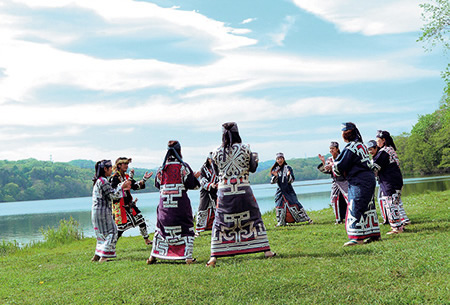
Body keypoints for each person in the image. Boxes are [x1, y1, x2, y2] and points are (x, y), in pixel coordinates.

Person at [206, 122, 275, 267]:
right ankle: (266, 250)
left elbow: (216, 172)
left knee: (220, 221)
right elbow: (253, 169)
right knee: (254, 218)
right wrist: (255, 159)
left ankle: (213, 256)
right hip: (243, 188)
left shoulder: (215, 152)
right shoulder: (246, 149)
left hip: (224, 191)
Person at [147, 141, 200, 265]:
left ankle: (153, 256)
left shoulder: (161, 168)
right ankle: (187, 257)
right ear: (180, 151)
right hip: (180, 205)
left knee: (161, 229)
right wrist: (195, 177)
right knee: (186, 227)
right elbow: (192, 184)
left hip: (164, 205)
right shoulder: (183, 167)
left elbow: (157, 184)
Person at [328, 123, 381, 246]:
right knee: (368, 206)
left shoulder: (350, 147)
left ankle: (357, 238)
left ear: (345, 135)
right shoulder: (361, 146)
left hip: (359, 180)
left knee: (355, 206)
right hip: (369, 178)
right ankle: (374, 234)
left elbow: (340, 165)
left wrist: (332, 166)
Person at [91, 159, 131, 262]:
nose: (111, 170)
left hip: (96, 211)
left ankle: (97, 255)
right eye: (110, 168)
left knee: (101, 234)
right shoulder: (104, 181)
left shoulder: (98, 181)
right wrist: (122, 186)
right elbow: (112, 195)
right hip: (103, 211)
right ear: (105, 169)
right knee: (113, 232)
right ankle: (104, 257)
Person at [110, 157, 153, 245]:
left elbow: (135, 186)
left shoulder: (126, 176)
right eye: (124, 164)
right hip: (120, 206)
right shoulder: (113, 178)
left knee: (141, 220)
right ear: (119, 165)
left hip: (129, 204)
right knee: (121, 228)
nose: (126, 165)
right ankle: (111, 246)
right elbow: (112, 192)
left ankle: (146, 240)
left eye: (127, 164)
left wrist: (144, 180)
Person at [373, 130, 410, 234]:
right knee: (394, 203)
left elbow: (375, 167)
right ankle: (399, 225)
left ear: (384, 140)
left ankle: (397, 228)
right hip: (396, 181)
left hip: (390, 182)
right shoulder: (391, 150)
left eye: (378, 141)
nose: (377, 143)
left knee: (390, 203)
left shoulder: (384, 152)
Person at [270, 152, 312, 226]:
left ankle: (306, 218)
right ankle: (281, 221)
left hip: (289, 190)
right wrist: (275, 176)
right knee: (279, 205)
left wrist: (288, 175)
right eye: (278, 159)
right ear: (276, 160)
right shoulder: (275, 169)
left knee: (295, 203)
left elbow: (292, 180)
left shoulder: (288, 168)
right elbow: (272, 181)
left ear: (283, 159)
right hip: (280, 191)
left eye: (281, 158)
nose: (280, 160)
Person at [317, 142, 349, 224]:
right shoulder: (329, 159)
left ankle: (351, 217)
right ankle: (338, 219)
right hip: (335, 182)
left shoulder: (342, 157)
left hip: (344, 181)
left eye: (333, 149)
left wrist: (333, 166)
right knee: (334, 199)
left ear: (337, 149)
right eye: (330, 149)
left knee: (348, 198)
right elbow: (326, 170)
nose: (331, 150)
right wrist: (324, 163)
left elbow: (343, 168)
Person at [196, 153, 219, 235]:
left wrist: (217, 184)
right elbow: (202, 180)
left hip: (215, 191)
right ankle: (199, 229)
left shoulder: (217, 168)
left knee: (216, 208)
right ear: (208, 159)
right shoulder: (203, 168)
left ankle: (216, 227)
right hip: (205, 191)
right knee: (203, 208)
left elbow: (219, 177)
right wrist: (210, 185)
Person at [367, 140, 389, 225]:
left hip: (386, 181)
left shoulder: (380, 156)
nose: (370, 151)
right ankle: (386, 219)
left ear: (377, 148)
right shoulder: (374, 157)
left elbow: (375, 170)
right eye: (369, 150)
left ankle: (387, 219)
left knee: (383, 199)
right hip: (382, 181)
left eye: (372, 149)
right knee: (381, 199)